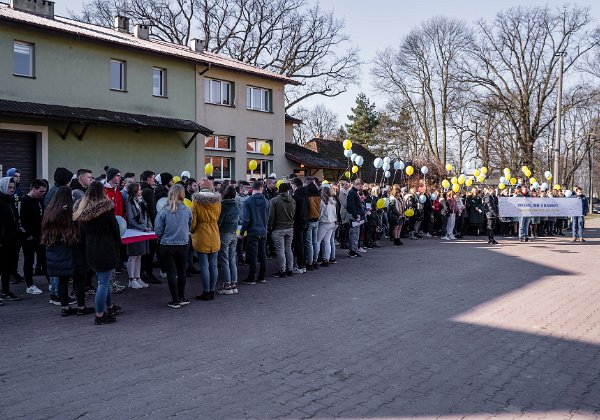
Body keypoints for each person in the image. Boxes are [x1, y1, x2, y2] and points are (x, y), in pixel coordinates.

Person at [73, 181, 121, 325]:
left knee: (102, 281)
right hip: (105, 248)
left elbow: (81, 233)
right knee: (103, 283)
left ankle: (110, 307)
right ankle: (100, 315)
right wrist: (117, 244)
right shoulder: (106, 210)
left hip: (91, 249)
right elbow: (115, 229)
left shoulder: (82, 211)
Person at [42, 187, 94, 316]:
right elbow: (78, 230)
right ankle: (81, 307)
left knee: (62, 280)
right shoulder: (70, 212)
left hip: (55, 250)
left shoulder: (49, 211)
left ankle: (64, 308)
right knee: (79, 279)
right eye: (71, 195)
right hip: (73, 249)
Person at [154, 184, 192, 308]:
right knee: (182, 272)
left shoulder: (164, 210)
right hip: (182, 244)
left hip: (167, 244)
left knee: (171, 272)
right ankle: (181, 297)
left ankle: (175, 299)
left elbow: (158, 230)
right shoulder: (187, 210)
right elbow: (189, 226)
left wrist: (163, 236)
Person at [191, 179, 222, 301]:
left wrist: (192, 231)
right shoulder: (217, 201)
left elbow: (193, 220)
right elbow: (218, 217)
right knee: (213, 265)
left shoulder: (196, 200)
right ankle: (212, 291)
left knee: (204, 265)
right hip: (214, 233)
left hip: (201, 233)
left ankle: (206, 291)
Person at [19, 179, 47, 295]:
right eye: (41, 191)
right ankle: (29, 284)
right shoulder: (24, 201)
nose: (43, 194)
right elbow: (21, 221)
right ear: (34, 189)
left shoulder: (39, 199)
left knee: (44, 259)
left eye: (44, 192)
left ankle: (51, 282)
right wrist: (27, 235)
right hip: (29, 237)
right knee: (29, 260)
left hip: (39, 235)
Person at [240, 180, 269, 284]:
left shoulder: (248, 201)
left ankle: (252, 277)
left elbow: (246, 219)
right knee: (263, 254)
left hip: (252, 231)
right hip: (263, 231)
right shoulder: (266, 201)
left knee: (253, 255)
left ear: (252, 188)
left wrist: (241, 233)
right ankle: (262, 276)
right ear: (261, 188)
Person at [124, 182, 153, 289]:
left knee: (140, 255)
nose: (141, 191)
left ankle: (138, 277)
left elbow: (147, 214)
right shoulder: (129, 202)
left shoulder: (141, 201)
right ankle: (131, 279)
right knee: (133, 256)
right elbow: (131, 220)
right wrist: (143, 227)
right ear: (135, 191)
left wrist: (149, 226)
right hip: (134, 231)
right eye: (139, 189)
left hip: (143, 231)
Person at [0, 177, 22, 302]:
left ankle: (5, 291)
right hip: (3, 241)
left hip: (12, 240)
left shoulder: (11, 201)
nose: (12, 190)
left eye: (13, 187)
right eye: (9, 187)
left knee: (8, 267)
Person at [268, 182, 296, 277]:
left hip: (278, 228)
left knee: (280, 250)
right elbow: (294, 212)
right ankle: (290, 269)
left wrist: (269, 226)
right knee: (288, 249)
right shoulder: (292, 200)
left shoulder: (274, 200)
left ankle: (282, 270)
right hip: (290, 227)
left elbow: (271, 215)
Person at [217, 186, 240, 294]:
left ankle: (227, 285)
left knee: (225, 261)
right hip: (233, 234)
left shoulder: (223, 206)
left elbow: (220, 221)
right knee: (232, 260)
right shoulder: (236, 205)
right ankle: (234, 284)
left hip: (224, 234)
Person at [139, 170, 161, 284]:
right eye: (153, 178)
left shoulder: (142, 189)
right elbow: (152, 210)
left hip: (144, 224)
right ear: (148, 178)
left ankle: (143, 272)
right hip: (150, 225)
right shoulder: (148, 191)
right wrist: (155, 225)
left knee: (145, 251)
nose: (154, 180)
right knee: (150, 250)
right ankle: (147, 272)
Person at [315, 184, 337, 267]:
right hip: (332, 223)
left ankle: (315, 259)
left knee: (318, 241)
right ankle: (326, 259)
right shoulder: (333, 201)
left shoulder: (323, 202)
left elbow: (320, 214)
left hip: (324, 223)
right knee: (327, 241)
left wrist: (317, 219)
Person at [304, 177, 321, 270]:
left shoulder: (307, 192)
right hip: (316, 219)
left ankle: (309, 262)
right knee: (315, 242)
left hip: (310, 219)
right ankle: (315, 261)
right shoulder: (318, 192)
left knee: (309, 242)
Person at [346, 179, 365, 258]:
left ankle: (354, 249)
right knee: (354, 234)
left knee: (355, 233)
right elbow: (352, 205)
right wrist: (356, 215)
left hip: (355, 214)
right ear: (356, 184)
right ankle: (353, 251)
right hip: (354, 215)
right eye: (360, 186)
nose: (360, 187)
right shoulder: (352, 192)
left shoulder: (353, 192)